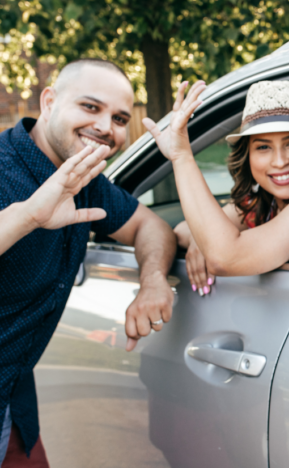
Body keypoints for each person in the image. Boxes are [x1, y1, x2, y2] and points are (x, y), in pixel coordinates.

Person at [0, 59, 177, 467]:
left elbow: (151, 227)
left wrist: (152, 281)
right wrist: (28, 215)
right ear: (49, 101)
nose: (105, 127)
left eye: (118, 117)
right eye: (90, 107)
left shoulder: (88, 183)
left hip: (14, 402)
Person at [144, 80, 289, 288]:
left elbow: (224, 257)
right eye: (263, 147)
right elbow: (180, 231)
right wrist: (201, 239)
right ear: (248, 156)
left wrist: (181, 156)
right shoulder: (263, 205)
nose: (279, 161)